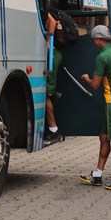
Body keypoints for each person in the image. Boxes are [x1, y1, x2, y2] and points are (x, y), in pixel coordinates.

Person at [79, 25, 111, 191]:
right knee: (104, 136)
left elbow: (95, 85)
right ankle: (97, 174)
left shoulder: (102, 56)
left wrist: (86, 79)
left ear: (97, 40)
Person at [44, 12, 63, 146]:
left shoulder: (50, 17)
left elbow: (51, 20)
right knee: (46, 94)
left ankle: (54, 130)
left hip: (52, 55)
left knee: (45, 95)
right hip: (53, 55)